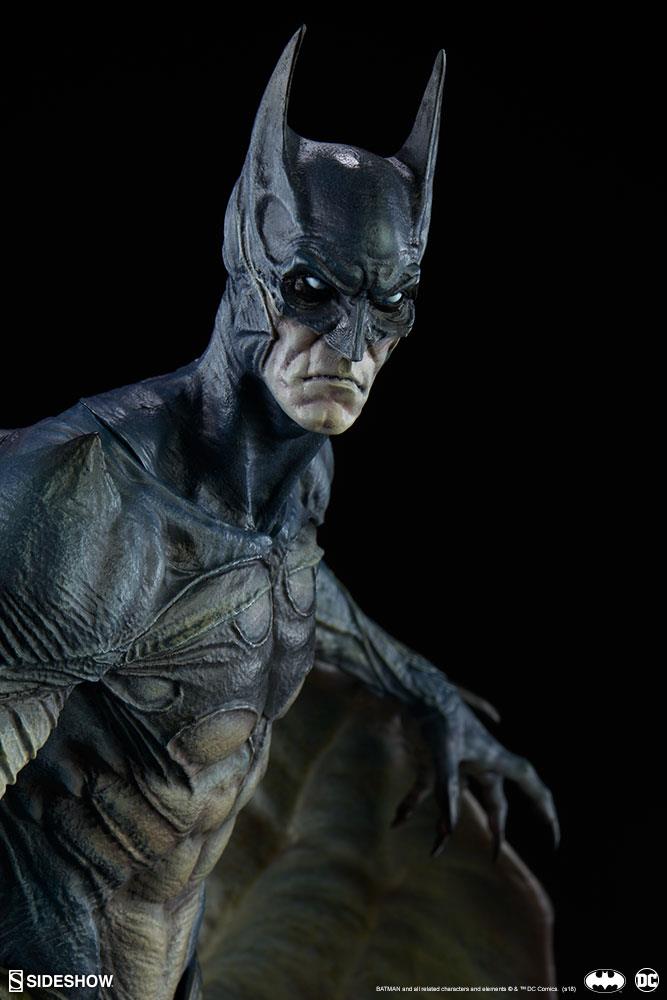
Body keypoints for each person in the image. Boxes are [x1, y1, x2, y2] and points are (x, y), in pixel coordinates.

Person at [0, 28, 558, 1000]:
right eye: (313, 294)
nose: (351, 348)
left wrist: (421, 686)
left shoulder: (298, 476)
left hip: (172, 944)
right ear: (246, 263)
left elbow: (282, 577)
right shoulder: (94, 488)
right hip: (50, 930)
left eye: (390, 308)